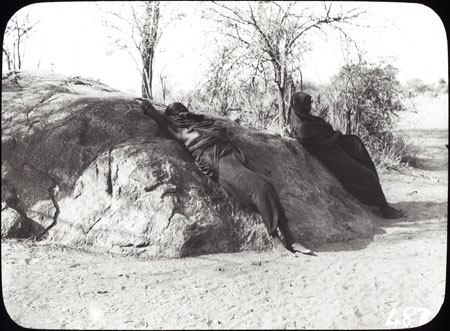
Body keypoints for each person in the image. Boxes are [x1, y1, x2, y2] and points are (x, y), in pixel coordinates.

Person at [140, 99, 312, 256]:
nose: (183, 111)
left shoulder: (201, 122)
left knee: (269, 184)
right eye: (178, 110)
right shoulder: (176, 128)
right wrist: (143, 103)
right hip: (215, 158)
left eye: (183, 108)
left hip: (231, 152)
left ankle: (291, 239)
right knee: (259, 188)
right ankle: (276, 240)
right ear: (172, 116)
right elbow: (151, 111)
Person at [290, 91, 404, 219]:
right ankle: (384, 208)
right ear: (299, 106)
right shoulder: (303, 128)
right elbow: (326, 144)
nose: (310, 107)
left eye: (310, 103)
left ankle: (382, 204)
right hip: (333, 158)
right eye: (306, 104)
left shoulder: (311, 120)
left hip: (337, 150)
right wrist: (337, 134)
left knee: (365, 160)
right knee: (368, 177)